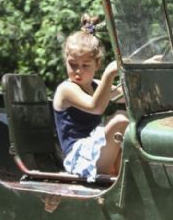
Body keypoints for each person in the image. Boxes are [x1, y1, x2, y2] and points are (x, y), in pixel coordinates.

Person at [53, 15, 128, 182]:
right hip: (78, 156)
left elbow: (126, 95)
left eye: (85, 65)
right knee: (119, 121)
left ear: (97, 64)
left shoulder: (95, 85)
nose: (78, 71)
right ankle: (105, 179)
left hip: (96, 147)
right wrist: (110, 73)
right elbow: (95, 107)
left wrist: (140, 69)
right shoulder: (66, 89)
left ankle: (122, 176)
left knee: (127, 119)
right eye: (72, 64)